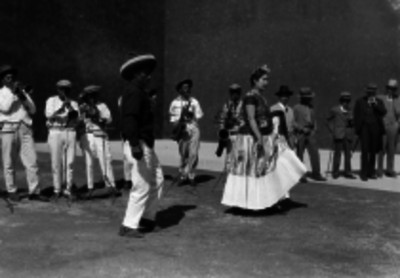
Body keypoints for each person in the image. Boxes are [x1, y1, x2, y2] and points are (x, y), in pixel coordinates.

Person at [221, 65, 307, 212]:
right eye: (264, 79)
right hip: (250, 139)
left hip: (263, 136)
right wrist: (259, 138)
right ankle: (247, 203)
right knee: (252, 170)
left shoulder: (261, 97)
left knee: (271, 166)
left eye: (267, 79)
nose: (266, 82)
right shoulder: (250, 97)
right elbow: (251, 118)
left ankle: (267, 199)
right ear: (255, 81)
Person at [118, 53, 164, 238]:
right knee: (142, 185)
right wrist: (135, 145)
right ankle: (129, 225)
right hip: (139, 145)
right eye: (145, 73)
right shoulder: (133, 92)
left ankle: (146, 218)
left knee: (157, 180)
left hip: (146, 144)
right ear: (136, 75)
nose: (149, 76)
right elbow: (129, 120)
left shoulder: (139, 92)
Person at [0, 65, 48, 202]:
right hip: (8, 129)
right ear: (3, 80)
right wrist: (15, 95)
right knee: (9, 162)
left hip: (25, 128)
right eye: (7, 77)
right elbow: (5, 108)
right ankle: (11, 190)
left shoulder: (22, 92)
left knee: (32, 161)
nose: (11, 79)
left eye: (12, 77)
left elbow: (33, 110)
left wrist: (23, 96)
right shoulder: (1, 93)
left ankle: (35, 191)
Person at [78, 85, 118, 197]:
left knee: (105, 160)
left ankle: (110, 185)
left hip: (100, 134)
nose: (91, 97)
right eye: (89, 95)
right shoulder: (82, 107)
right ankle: (90, 187)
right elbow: (79, 122)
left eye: (93, 95)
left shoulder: (102, 105)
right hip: (87, 135)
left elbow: (109, 119)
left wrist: (96, 114)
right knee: (89, 162)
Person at [45, 79, 80, 199]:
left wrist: (69, 107)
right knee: (56, 163)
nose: (64, 92)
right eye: (62, 89)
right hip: (55, 131)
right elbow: (49, 116)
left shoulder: (74, 103)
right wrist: (62, 108)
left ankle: (68, 189)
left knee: (70, 163)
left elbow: (76, 119)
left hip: (70, 132)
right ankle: (57, 189)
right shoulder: (51, 100)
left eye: (67, 89)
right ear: (58, 90)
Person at [169, 79, 204, 186]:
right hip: (182, 130)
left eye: (188, 87)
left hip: (193, 127)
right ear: (180, 90)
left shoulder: (194, 101)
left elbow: (199, 116)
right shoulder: (174, 103)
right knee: (184, 153)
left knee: (193, 153)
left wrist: (191, 115)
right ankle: (183, 173)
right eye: (184, 87)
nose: (187, 89)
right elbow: (173, 120)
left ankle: (189, 176)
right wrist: (180, 122)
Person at [353, 83, 386, 181]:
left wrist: (375, 105)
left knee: (373, 151)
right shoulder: (360, 101)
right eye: (369, 90)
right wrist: (358, 129)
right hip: (364, 128)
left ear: (375, 92)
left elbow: (383, 112)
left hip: (375, 128)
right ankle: (363, 173)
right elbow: (356, 115)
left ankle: (371, 172)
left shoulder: (379, 101)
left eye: (373, 90)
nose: (371, 92)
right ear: (366, 91)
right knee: (364, 150)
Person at [293, 87, 327, 182]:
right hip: (301, 134)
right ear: (302, 98)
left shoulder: (311, 107)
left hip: (310, 133)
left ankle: (316, 173)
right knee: (299, 155)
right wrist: (301, 128)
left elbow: (313, 119)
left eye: (309, 97)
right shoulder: (296, 108)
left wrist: (314, 129)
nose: (309, 99)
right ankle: (300, 175)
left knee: (315, 153)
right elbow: (293, 121)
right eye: (307, 97)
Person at [326, 91, 356, 179]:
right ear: (341, 101)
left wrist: (352, 122)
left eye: (347, 101)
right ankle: (335, 172)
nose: (346, 103)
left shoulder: (350, 110)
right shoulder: (335, 110)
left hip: (348, 134)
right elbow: (327, 120)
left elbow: (353, 123)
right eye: (344, 101)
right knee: (337, 154)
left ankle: (348, 172)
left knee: (348, 154)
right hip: (338, 134)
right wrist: (332, 130)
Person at [215, 83, 243, 168]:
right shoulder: (227, 105)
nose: (234, 94)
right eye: (232, 92)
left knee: (240, 158)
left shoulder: (244, 105)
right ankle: (228, 177)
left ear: (239, 93)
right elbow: (222, 119)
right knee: (229, 159)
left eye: (236, 92)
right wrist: (222, 131)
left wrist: (237, 121)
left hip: (240, 134)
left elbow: (246, 119)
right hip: (229, 135)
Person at [377, 79, 400, 178]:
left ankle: (389, 170)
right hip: (382, 126)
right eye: (389, 88)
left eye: (393, 89)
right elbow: (367, 101)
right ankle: (379, 170)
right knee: (381, 148)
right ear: (386, 88)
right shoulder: (379, 97)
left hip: (393, 127)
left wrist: (398, 123)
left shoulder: (398, 99)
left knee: (391, 149)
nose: (390, 90)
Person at [118, 95, 133, 189]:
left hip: (137, 133)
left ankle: (136, 179)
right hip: (126, 133)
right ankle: (127, 180)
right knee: (127, 158)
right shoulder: (122, 99)